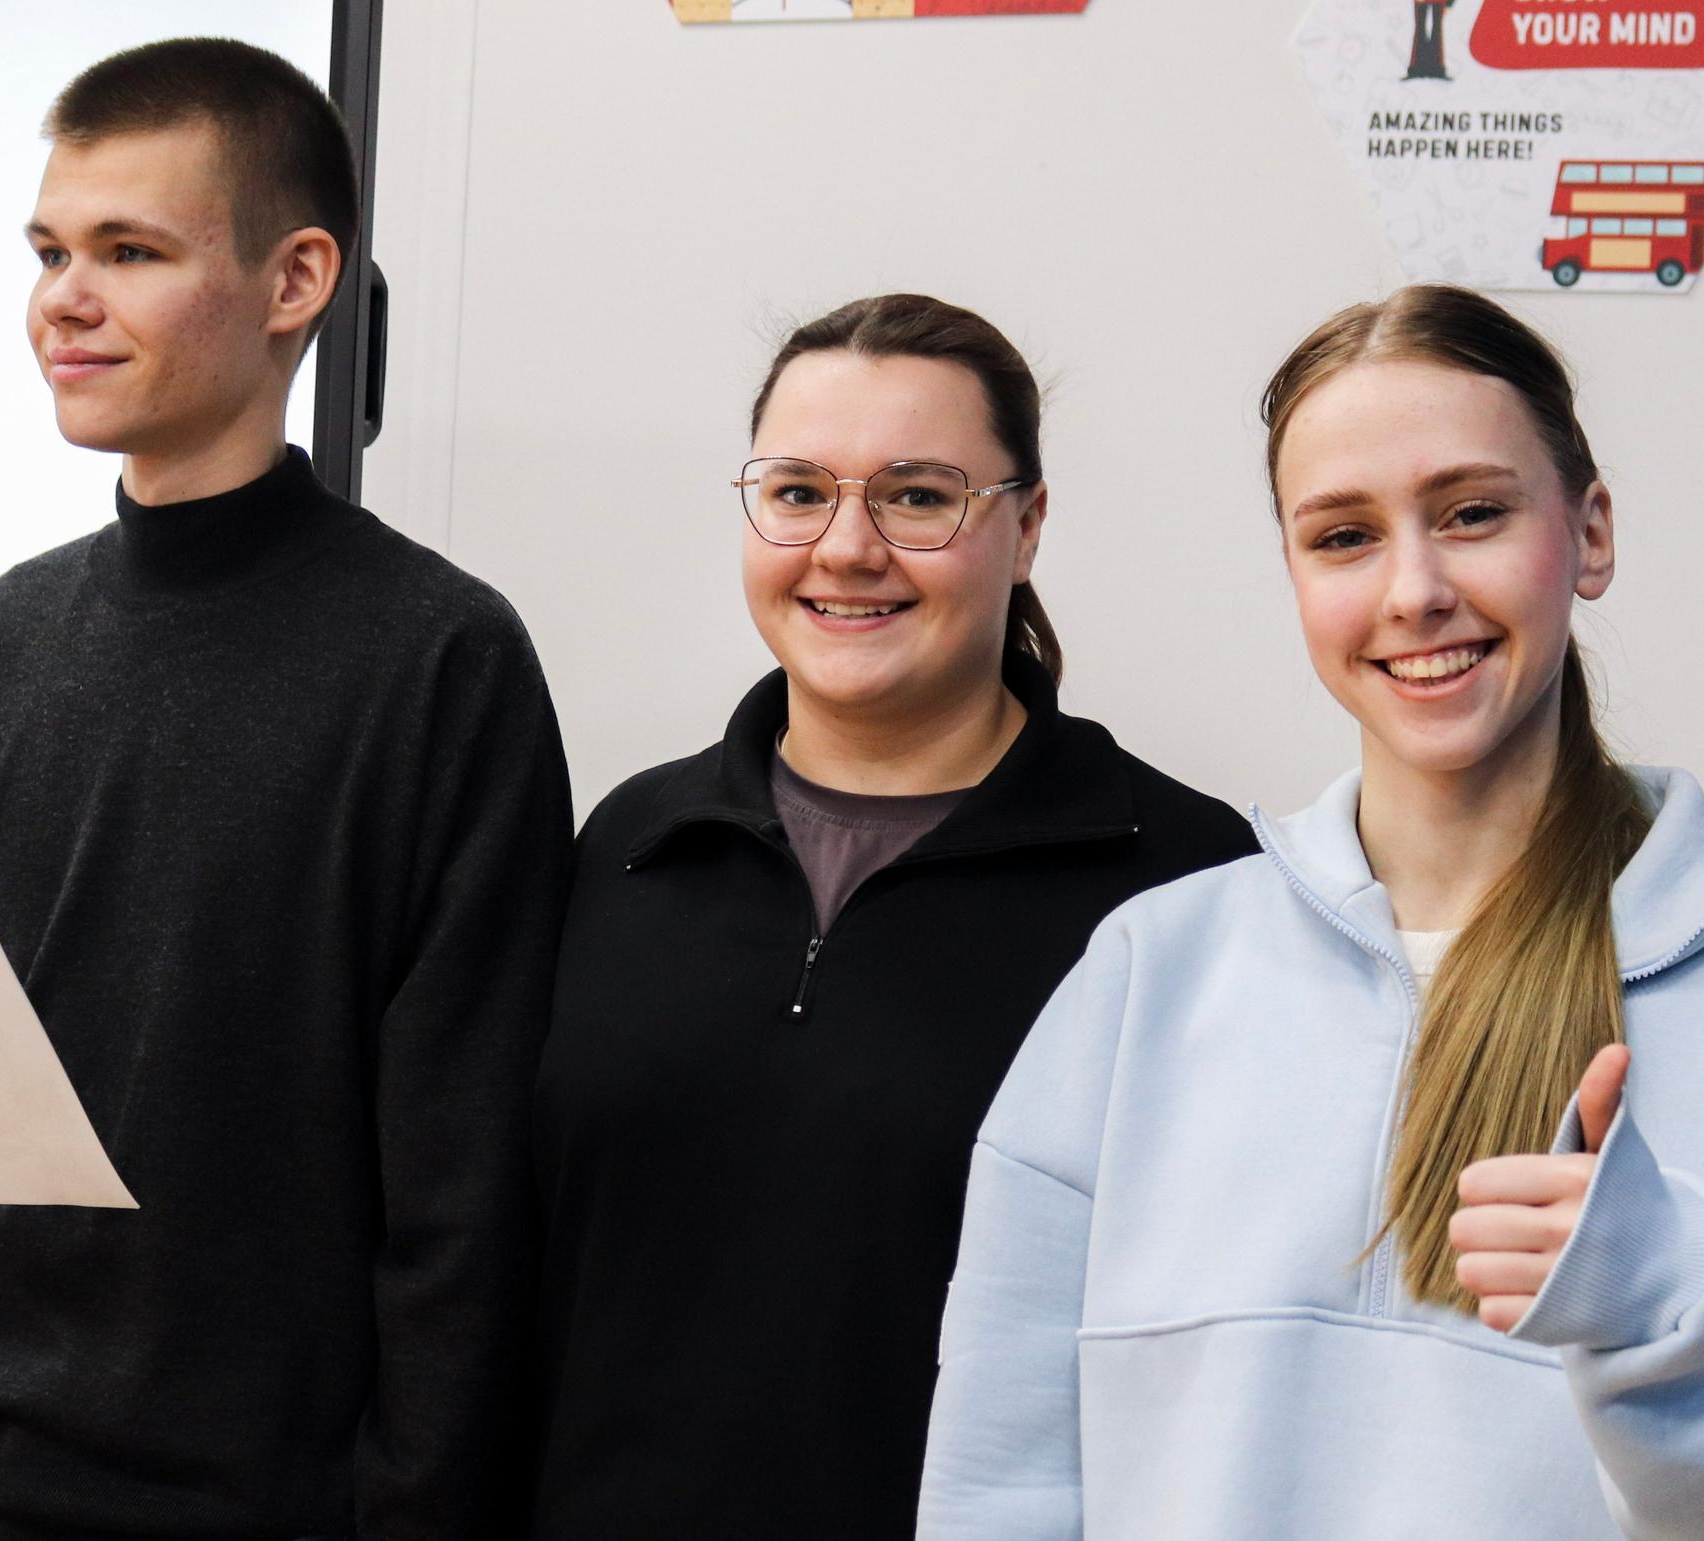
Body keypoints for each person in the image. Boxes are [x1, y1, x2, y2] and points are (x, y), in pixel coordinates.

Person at [917, 283, 1704, 1539]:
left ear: (1589, 533)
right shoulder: (1147, 971)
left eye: (1472, 513)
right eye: (1343, 536)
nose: (1414, 588)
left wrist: (1678, 1313)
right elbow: (997, 1490)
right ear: (1293, 575)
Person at [0, 39, 572, 1540]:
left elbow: (466, 1189)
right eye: (49, 252)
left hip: (265, 1507)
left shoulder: (441, 660)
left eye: (129, 251)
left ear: (295, 280)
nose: (64, 300)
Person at [526, 294, 1257, 1539]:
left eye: (918, 496)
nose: (846, 547)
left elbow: (1217, 1354)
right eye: (799, 492)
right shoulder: (630, 843)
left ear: (1026, 526)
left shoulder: (1186, 884)